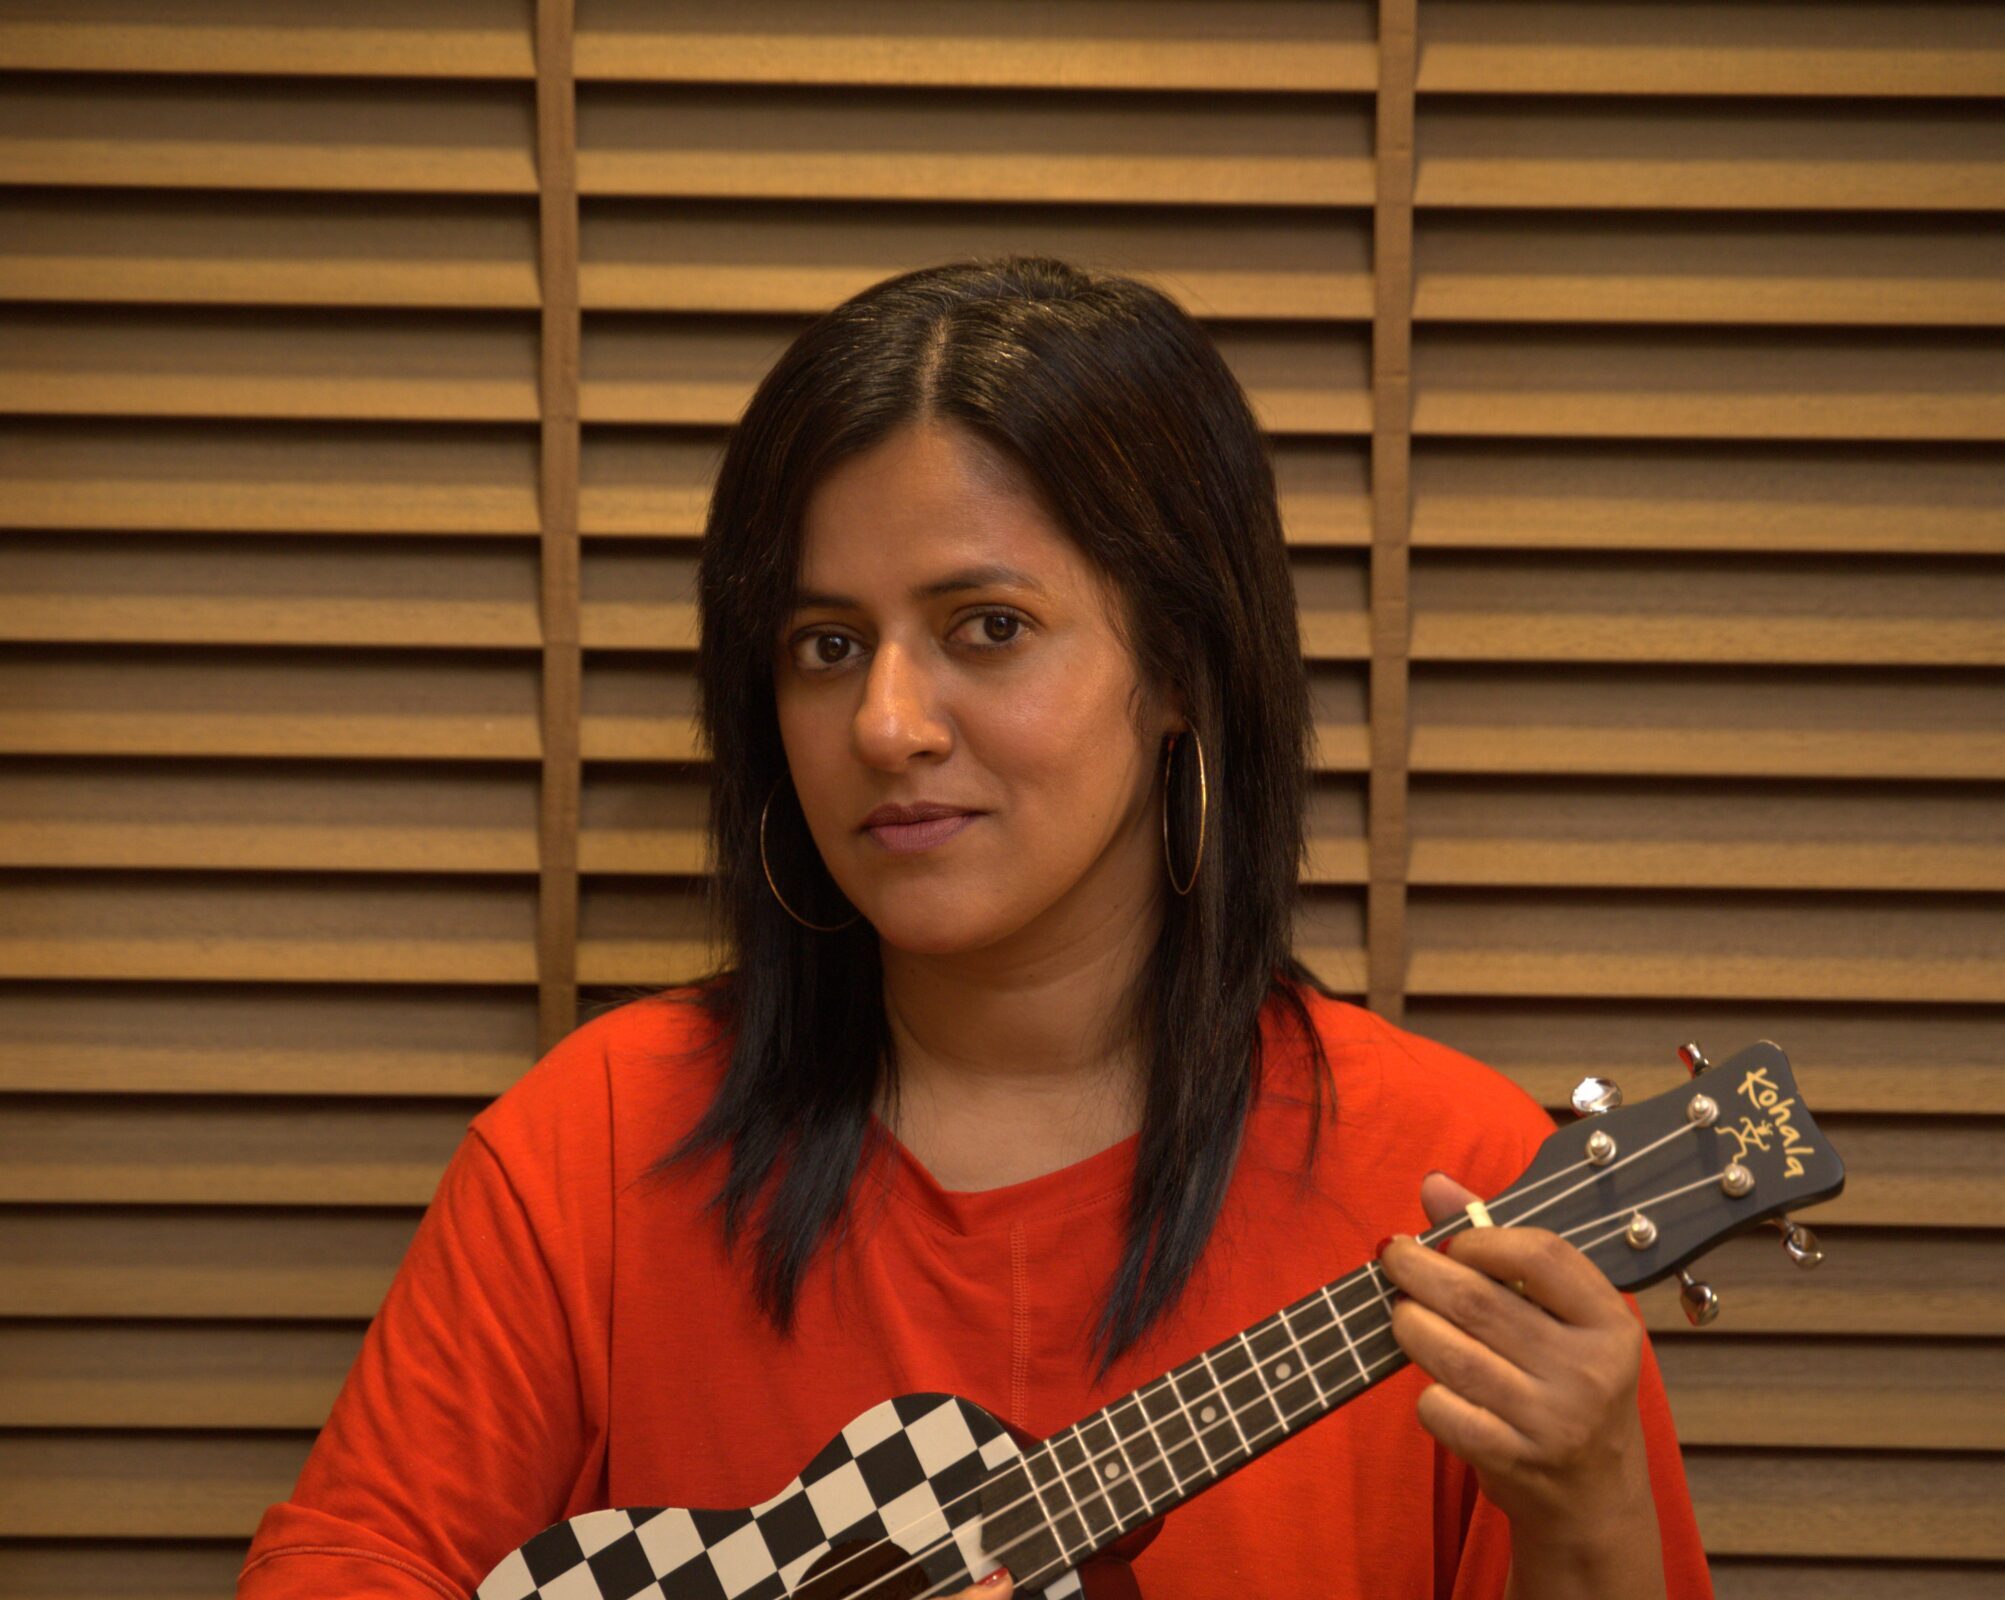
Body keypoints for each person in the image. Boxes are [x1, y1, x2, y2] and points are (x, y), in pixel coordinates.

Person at [239, 258, 1712, 1599]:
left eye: (984, 627)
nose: (883, 725)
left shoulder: (1451, 1193)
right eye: (826, 647)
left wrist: (1583, 1517)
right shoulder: (594, 1146)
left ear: (1183, 662)